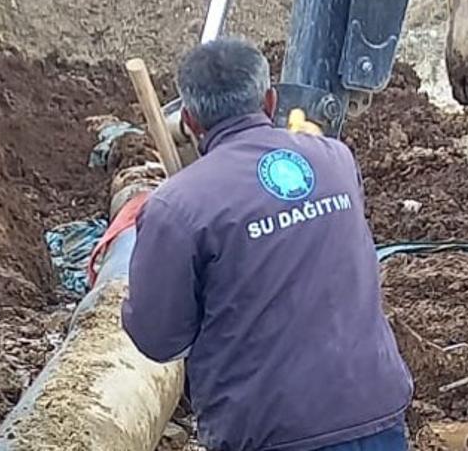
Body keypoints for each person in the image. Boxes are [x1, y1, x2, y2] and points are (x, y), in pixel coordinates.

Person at [121, 38, 413, 451]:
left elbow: (157, 337)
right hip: (374, 412)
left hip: (271, 431)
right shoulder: (336, 160)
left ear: (189, 118)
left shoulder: (177, 206)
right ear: (270, 100)